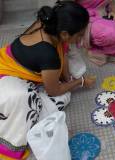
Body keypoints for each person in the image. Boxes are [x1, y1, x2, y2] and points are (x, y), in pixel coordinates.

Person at [0, 1, 96, 159]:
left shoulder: (46, 22)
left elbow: (62, 52)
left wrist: (67, 79)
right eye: (79, 35)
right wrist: (81, 82)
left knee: (70, 75)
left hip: (7, 62)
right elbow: (53, 90)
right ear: (64, 34)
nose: (80, 39)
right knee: (60, 98)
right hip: (7, 86)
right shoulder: (48, 55)